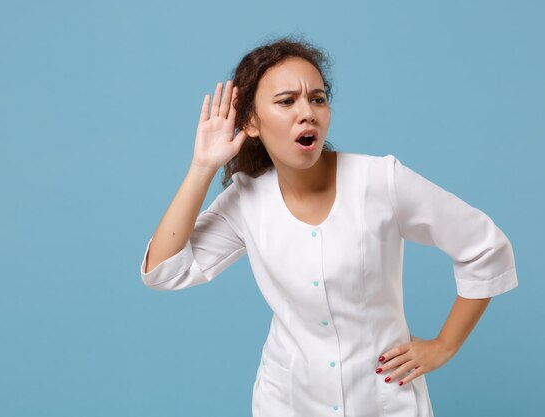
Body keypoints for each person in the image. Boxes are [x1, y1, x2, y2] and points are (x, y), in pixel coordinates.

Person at [139, 37, 518, 417]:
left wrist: (445, 345)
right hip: (287, 403)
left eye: (317, 99)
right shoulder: (246, 199)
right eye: (287, 101)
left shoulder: (380, 181)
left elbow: (484, 247)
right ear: (251, 121)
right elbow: (164, 271)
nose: (307, 113)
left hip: (385, 401)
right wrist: (202, 167)